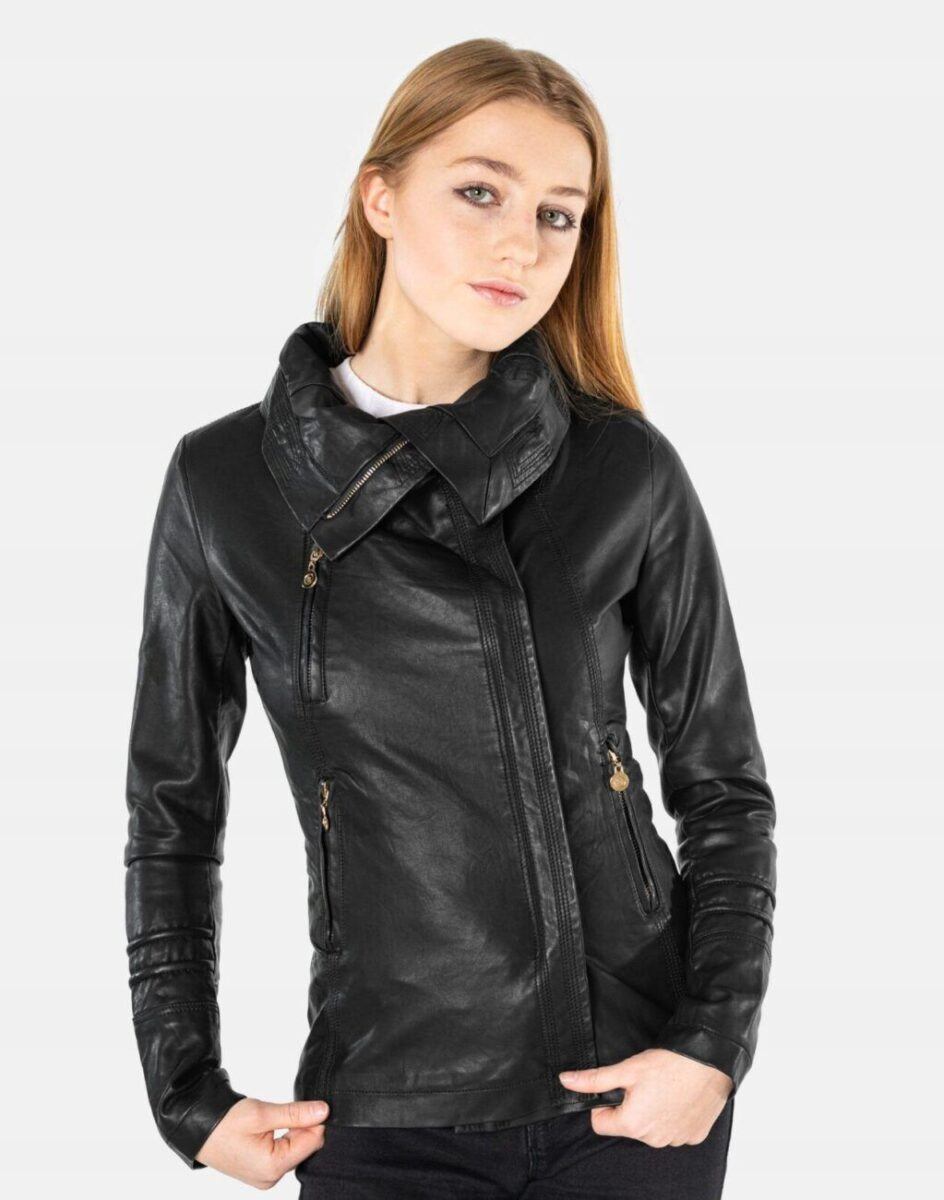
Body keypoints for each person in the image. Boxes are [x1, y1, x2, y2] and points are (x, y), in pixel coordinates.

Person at [123, 37, 776, 1199]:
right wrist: (186, 1091)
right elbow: (172, 807)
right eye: (479, 192)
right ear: (379, 197)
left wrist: (711, 1044)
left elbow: (720, 784)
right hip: (384, 1099)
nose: (521, 243)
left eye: (557, 214)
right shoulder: (226, 482)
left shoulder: (618, 468)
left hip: (626, 1086)